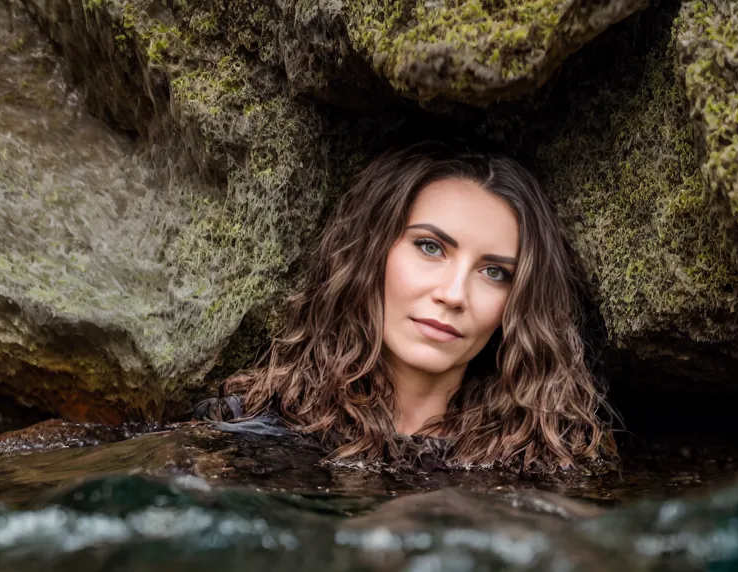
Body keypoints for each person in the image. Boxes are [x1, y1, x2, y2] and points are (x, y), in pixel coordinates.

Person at [198, 141, 619, 471]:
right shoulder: (248, 425)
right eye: (430, 247)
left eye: (494, 273)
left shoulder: (555, 459)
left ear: (520, 303)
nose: (453, 295)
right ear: (370, 252)